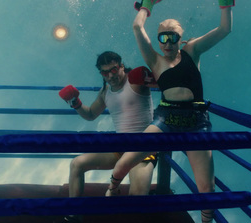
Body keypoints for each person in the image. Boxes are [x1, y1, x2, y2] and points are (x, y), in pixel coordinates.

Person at [105, 1, 234, 222]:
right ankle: (112, 188)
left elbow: (225, 29)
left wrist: (226, 4)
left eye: (172, 37)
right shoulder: (154, 60)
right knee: (124, 163)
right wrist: (146, 6)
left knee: (207, 188)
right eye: (162, 37)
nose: (167, 43)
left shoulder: (192, 50)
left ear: (180, 38)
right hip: (165, 120)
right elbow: (137, 28)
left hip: (196, 122)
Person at [58, 51, 157, 223]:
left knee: (138, 198)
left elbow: (167, 84)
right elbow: (90, 115)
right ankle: (73, 216)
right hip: (120, 148)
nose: (110, 75)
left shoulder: (135, 80)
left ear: (121, 66)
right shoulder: (105, 92)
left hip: (144, 149)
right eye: (105, 72)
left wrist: (162, 71)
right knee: (76, 164)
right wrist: (75, 102)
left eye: (113, 70)